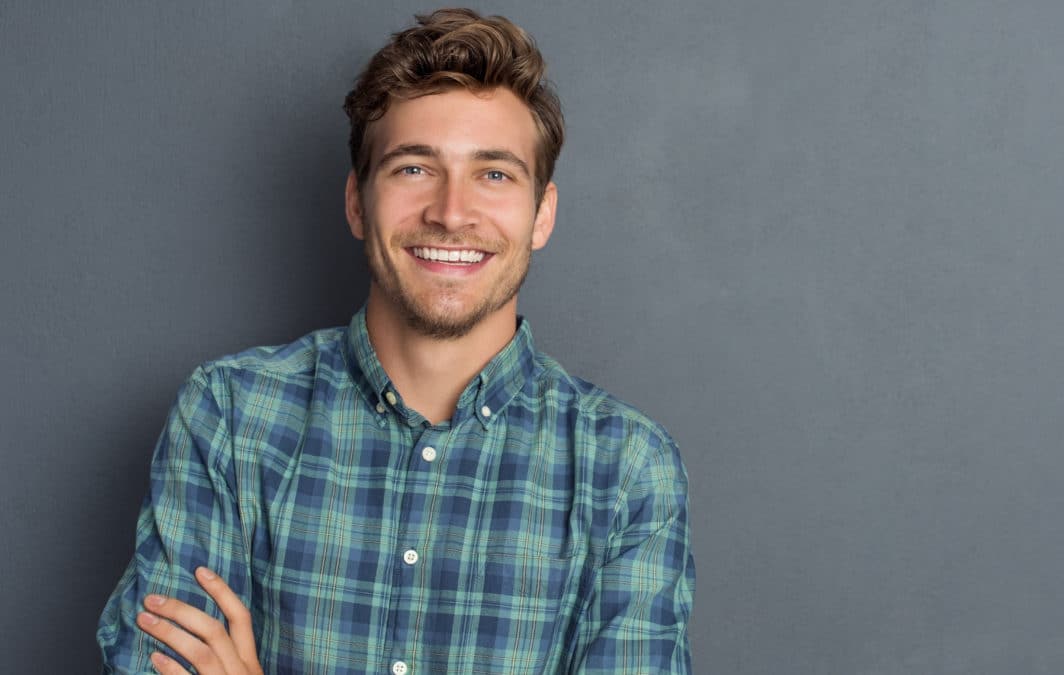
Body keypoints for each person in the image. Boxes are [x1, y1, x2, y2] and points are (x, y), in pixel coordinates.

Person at [98, 8, 695, 674]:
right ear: (358, 202)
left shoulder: (625, 468)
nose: (450, 211)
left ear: (541, 215)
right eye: (414, 168)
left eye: (494, 174)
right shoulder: (231, 417)